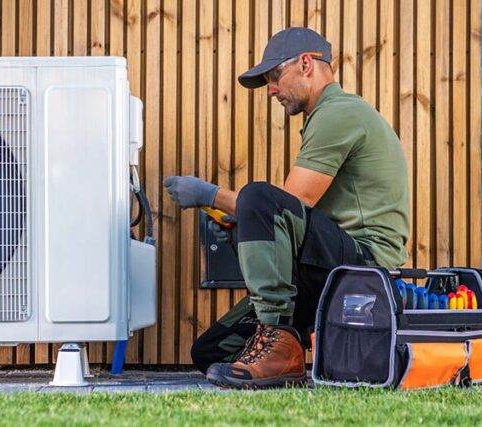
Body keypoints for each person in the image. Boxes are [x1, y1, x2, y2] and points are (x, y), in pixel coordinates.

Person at [163, 27, 410, 389]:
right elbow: (294, 220)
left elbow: (291, 203)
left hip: (364, 266)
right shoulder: (326, 116)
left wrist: (209, 194)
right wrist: (242, 221)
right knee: (212, 352)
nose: (272, 89)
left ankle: (278, 335)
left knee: (259, 197)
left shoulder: (338, 113)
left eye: (275, 76)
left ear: (307, 64)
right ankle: (281, 347)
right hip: (327, 265)